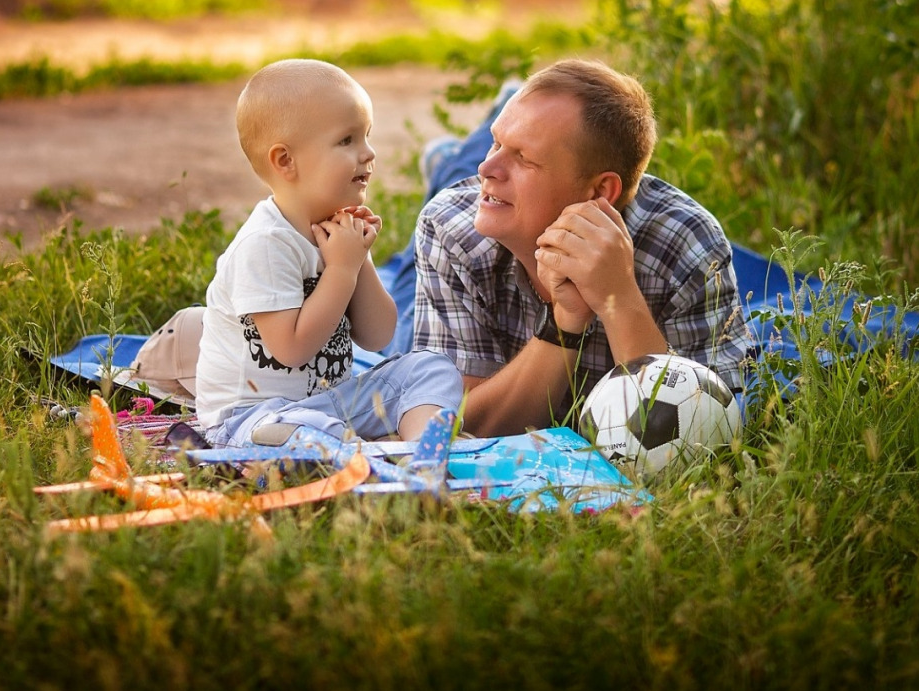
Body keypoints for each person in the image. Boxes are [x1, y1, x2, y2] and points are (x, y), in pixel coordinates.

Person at [412, 59, 750, 437]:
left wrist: (618, 298)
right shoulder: (449, 227)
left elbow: (699, 438)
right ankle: (450, 155)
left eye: (524, 158)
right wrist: (564, 324)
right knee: (453, 181)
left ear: (599, 192)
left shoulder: (684, 243)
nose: (487, 167)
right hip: (469, 247)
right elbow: (456, 430)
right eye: (496, 142)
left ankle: (464, 145)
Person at [196, 59, 462, 446]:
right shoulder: (266, 244)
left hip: (330, 402)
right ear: (285, 161)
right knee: (293, 433)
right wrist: (341, 270)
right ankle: (361, 454)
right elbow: (291, 349)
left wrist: (357, 263)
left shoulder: (339, 233)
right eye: (347, 140)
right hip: (252, 417)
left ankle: (418, 452)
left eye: (367, 136)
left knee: (430, 368)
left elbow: (377, 336)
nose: (368, 153)